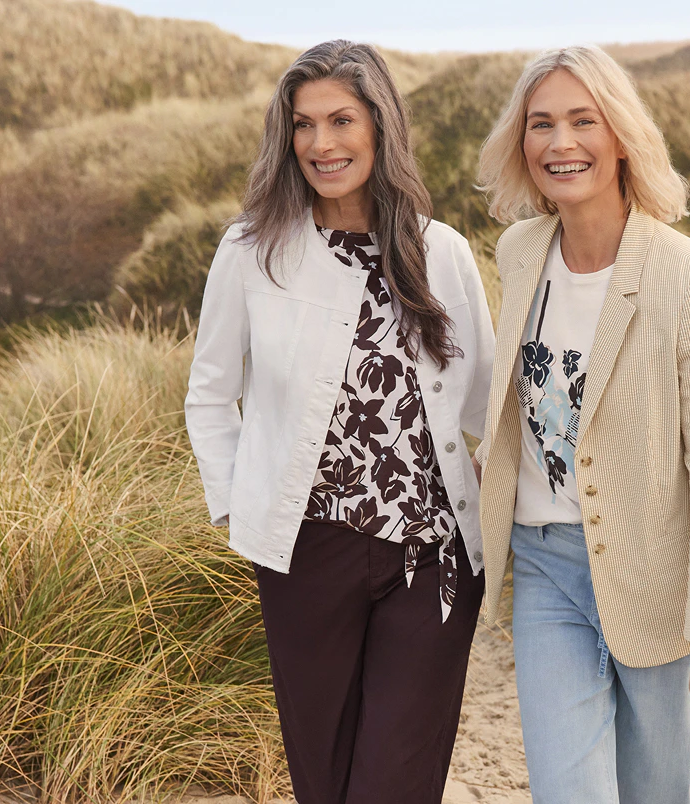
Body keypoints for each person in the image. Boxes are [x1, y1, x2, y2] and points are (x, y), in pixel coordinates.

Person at [184, 40, 494, 804]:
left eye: (341, 120)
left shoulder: (441, 251)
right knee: (324, 778)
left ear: (380, 126)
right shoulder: (254, 250)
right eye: (303, 124)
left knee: (396, 779)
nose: (321, 143)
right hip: (304, 549)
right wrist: (238, 507)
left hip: (434, 559)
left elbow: (489, 403)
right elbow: (209, 393)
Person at [474, 45, 690, 804]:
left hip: (657, 580)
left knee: (653, 793)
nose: (560, 144)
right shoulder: (518, 252)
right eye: (541, 125)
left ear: (622, 135)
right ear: (521, 142)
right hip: (543, 571)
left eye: (582, 121)